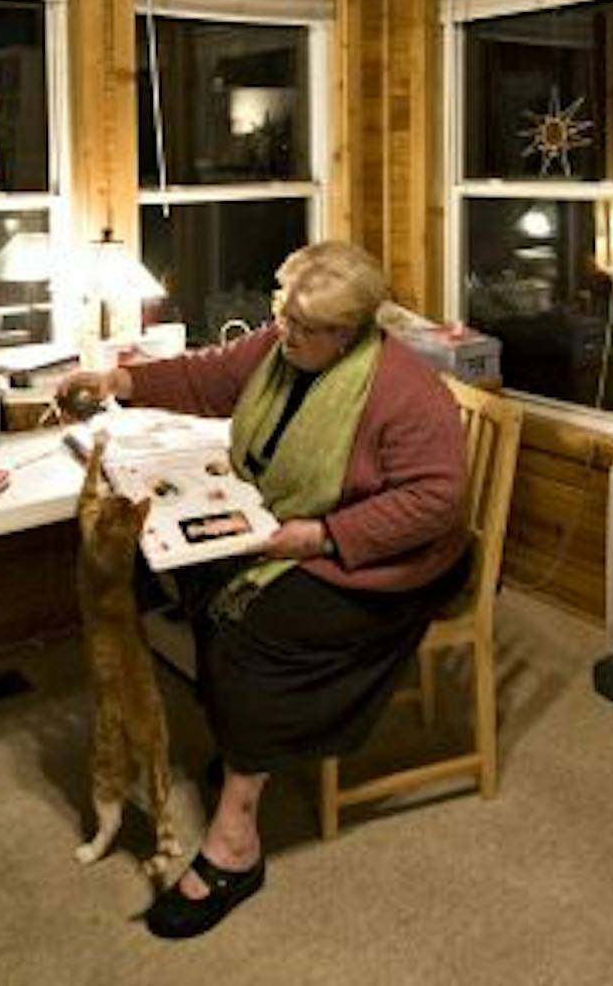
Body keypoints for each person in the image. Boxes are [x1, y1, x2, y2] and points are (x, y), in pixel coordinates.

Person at [58, 240, 470, 939]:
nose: (287, 337)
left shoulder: (403, 391)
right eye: (283, 319)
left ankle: (236, 842)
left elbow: (436, 500)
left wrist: (322, 535)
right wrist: (118, 382)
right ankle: (253, 737)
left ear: (350, 333)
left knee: (252, 630)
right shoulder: (282, 349)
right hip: (294, 528)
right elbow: (209, 377)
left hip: (386, 563)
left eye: (305, 330)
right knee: (179, 572)